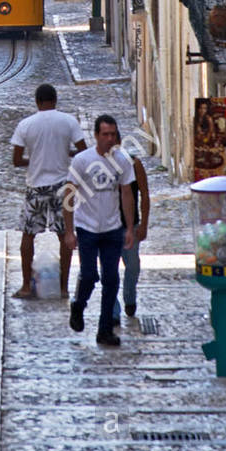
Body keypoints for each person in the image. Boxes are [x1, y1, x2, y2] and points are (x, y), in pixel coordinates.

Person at [64, 113, 135, 346]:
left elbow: (126, 193)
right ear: (96, 136)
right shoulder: (82, 161)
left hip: (112, 228)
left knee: (111, 278)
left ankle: (104, 329)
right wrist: (68, 231)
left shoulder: (122, 160)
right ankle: (79, 304)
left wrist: (130, 228)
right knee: (89, 275)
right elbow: (69, 194)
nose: (109, 138)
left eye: (113, 134)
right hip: (87, 228)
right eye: (105, 134)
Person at [10, 84, 87, 299]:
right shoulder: (69, 121)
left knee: (28, 235)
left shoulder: (26, 125)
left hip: (35, 187)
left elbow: (16, 160)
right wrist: (65, 153)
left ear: (37, 101)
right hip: (62, 186)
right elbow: (83, 152)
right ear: (55, 100)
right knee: (65, 236)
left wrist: (35, 159)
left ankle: (26, 286)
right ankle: (63, 288)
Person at [112, 134, 150, 322]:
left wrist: (143, 224)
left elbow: (144, 193)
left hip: (130, 225)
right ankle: (113, 312)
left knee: (132, 266)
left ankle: (129, 297)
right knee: (109, 270)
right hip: (107, 227)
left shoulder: (134, 164)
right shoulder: (97, 167)